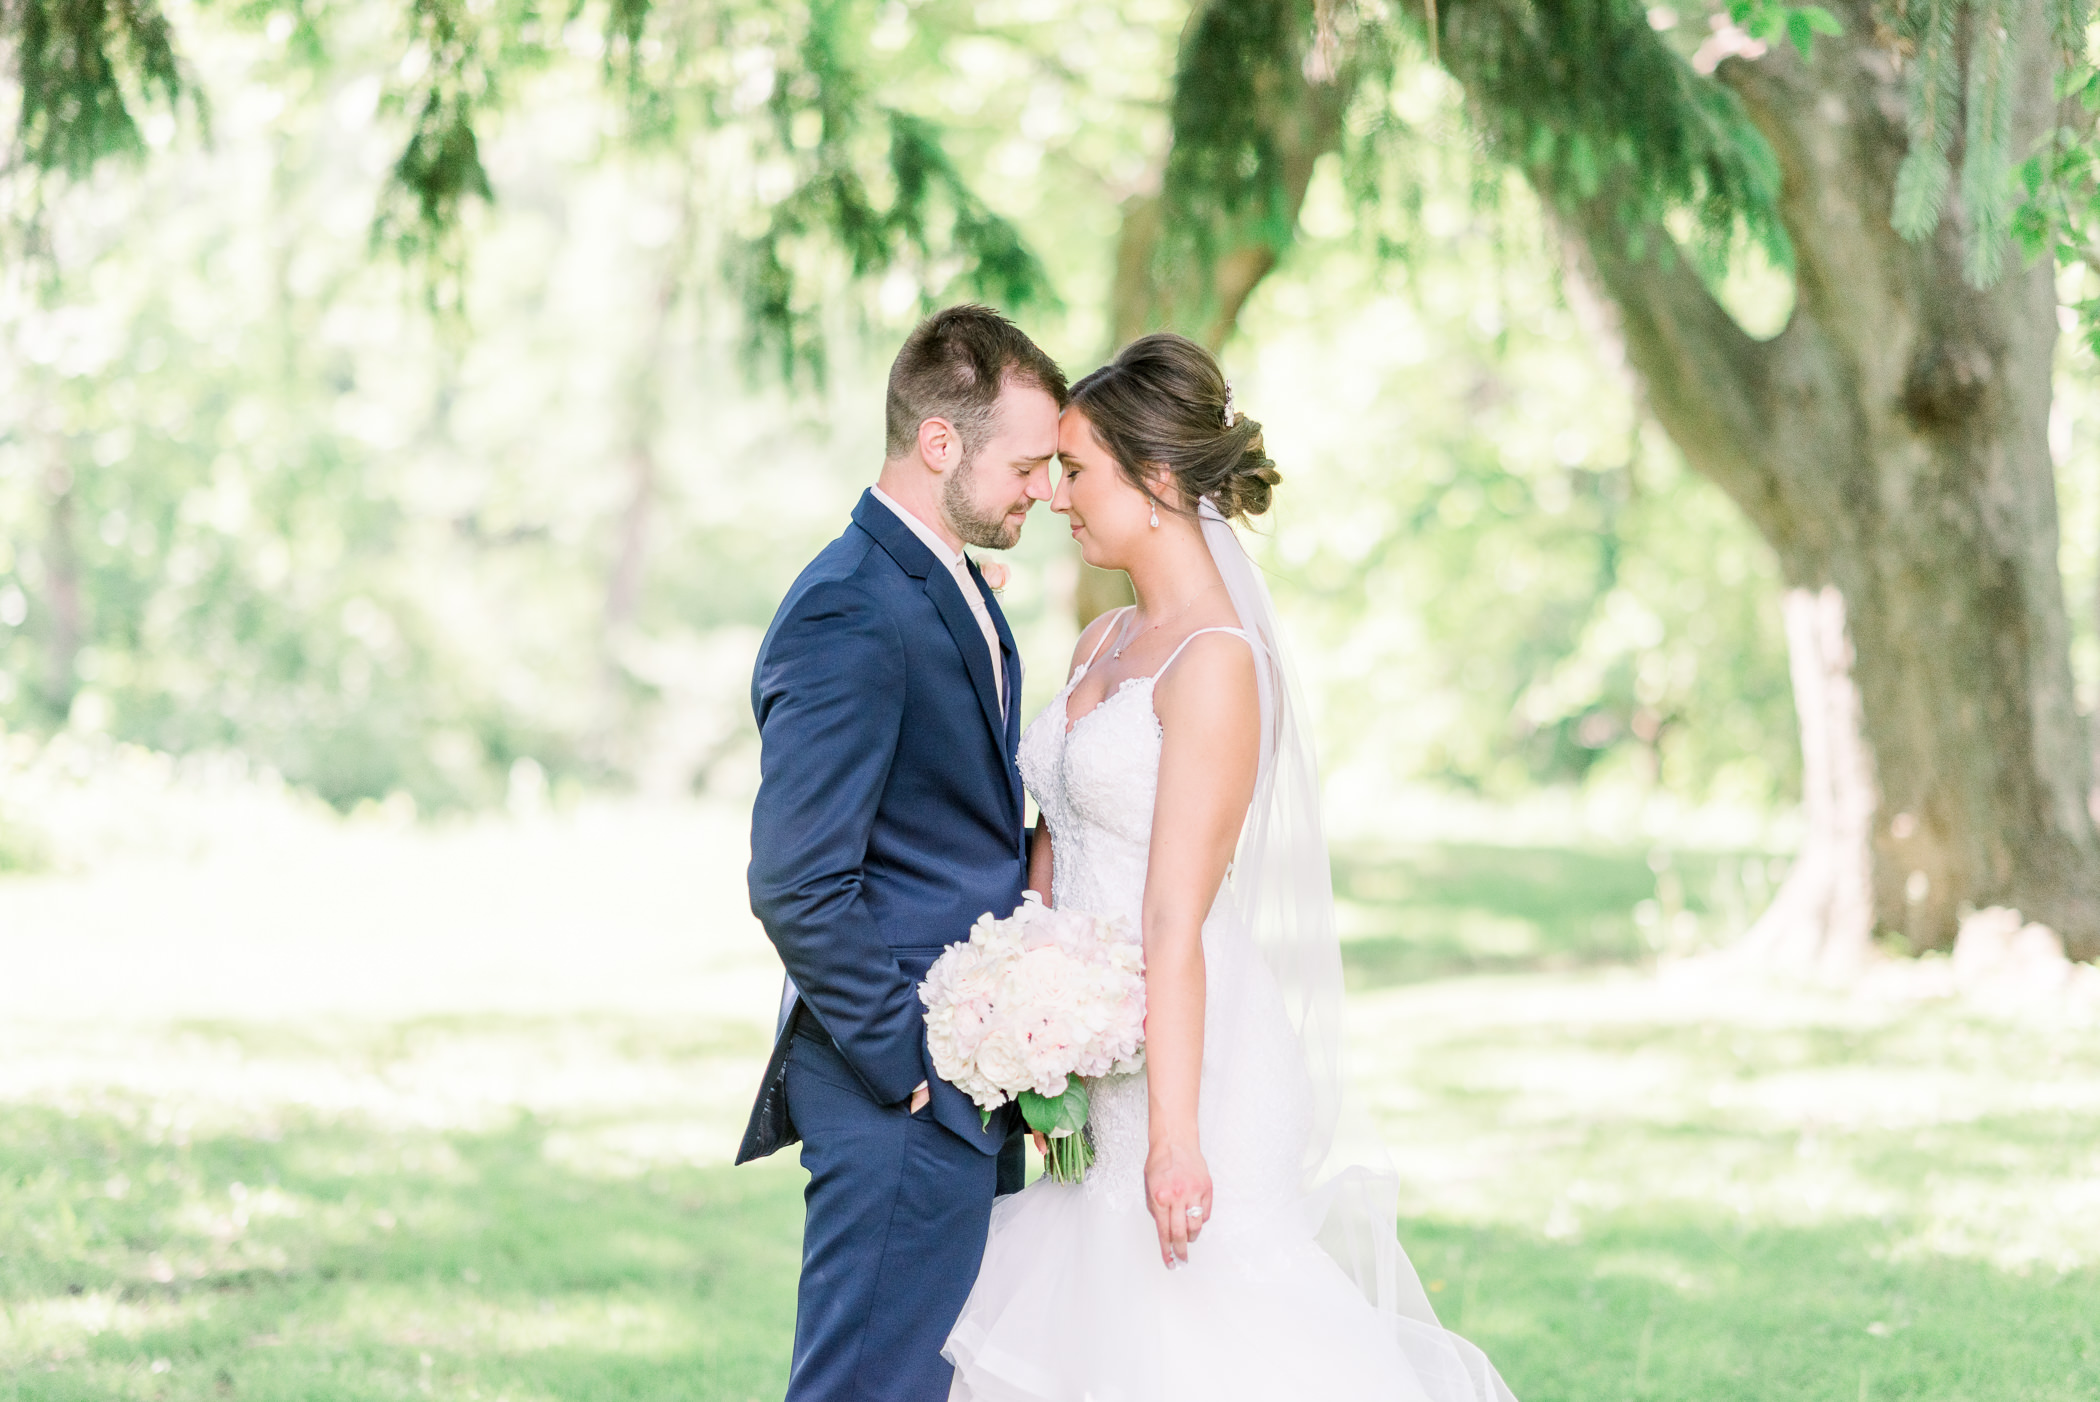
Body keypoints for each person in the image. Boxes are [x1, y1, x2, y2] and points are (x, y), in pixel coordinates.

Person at [944, 334, 1517, 1401]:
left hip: (1193, 1064)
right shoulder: (1101, 640)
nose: (1059, 498)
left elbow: (1174, 914)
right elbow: (1053, 844)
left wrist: (1175, 1137)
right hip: (1092, 1050)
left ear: (1157, 480)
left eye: (1078, 471)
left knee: (1194, 1346)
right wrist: (1023, 1016)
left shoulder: (1215, 665)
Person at [738, 305, 1067, 1401]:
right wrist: (909, 1067)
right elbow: (796, 877)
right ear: (940, 444)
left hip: (972, 1075)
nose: (1043, 490)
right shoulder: (849, 605)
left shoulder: (946, 579)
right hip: (903, 1086)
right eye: (1026, 463)